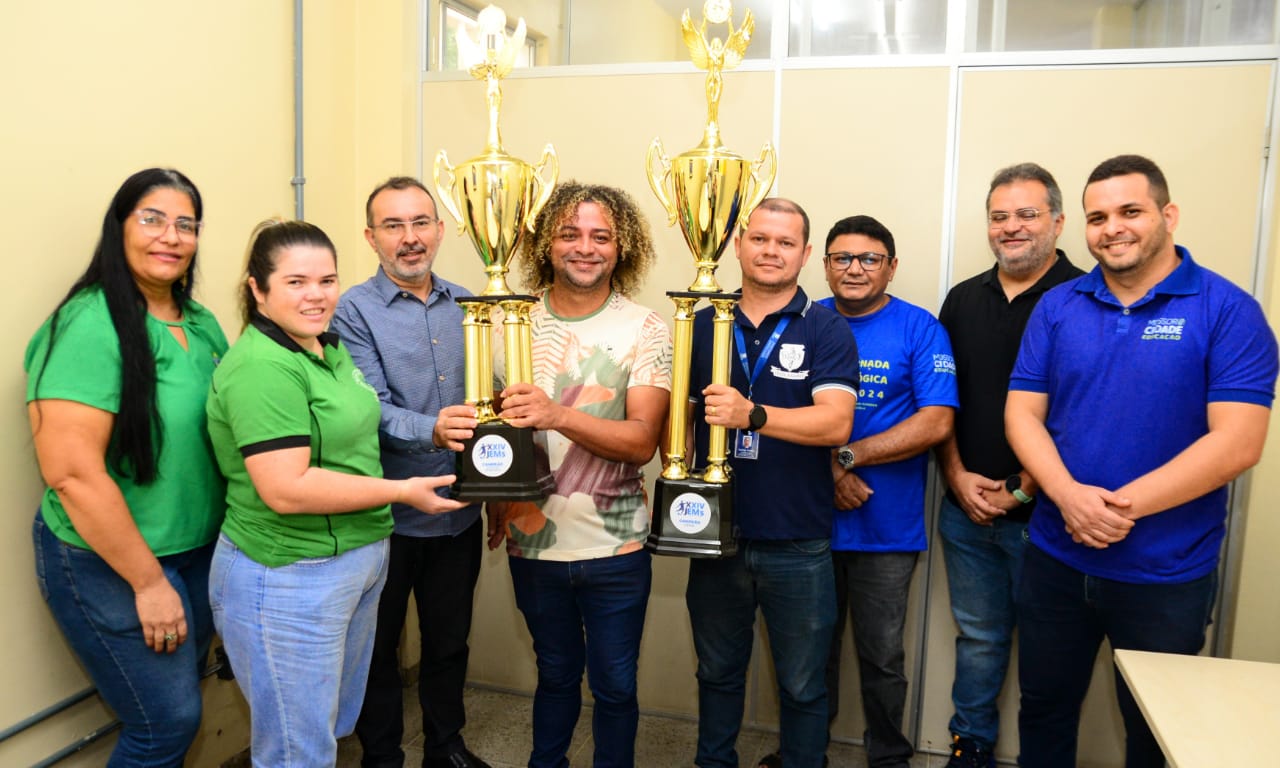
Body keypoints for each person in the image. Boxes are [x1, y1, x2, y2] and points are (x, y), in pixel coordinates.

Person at [1005, 154, 1278, 768]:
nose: (1112, 228)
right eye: (1097, 217)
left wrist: (1112, 510)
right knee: (1043, 709)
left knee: (1156, 731)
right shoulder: (1058, 306)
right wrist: (1071, 501)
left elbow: (1237, 442)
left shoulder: (1228, 311)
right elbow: (1022, 414)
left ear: (1168, 214)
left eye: (1130, 211)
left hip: (1166, 574)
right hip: (1056, 556)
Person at [206, 219, 466, 767]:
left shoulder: (327, 347)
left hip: (355, 561)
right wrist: (403, 490)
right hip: (290, 576)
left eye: (327, 280)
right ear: (258, 288)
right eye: (297, 282)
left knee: (327, 731)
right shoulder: (262, 368)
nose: (317, 295)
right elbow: (287, 489)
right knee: (297, 752)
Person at [25, 168, 228, 767]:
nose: (171, 236)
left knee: (176, 713)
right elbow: (72, 473)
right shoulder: (87, 325)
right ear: (118, 229)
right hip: (111, 561)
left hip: (193, 553)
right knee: (165, 723)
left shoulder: (202, 323)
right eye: (152, 219)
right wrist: (147, 583)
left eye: (185, 224)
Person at [486, 181, 672, 768]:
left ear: (622, 248)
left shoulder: (646, 328)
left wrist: (557, 413)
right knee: (556, 676)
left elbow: (642, 441)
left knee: (615, 686)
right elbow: (495, 436)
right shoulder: (506, 324)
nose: (585, 248)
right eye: (569, 233)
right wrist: (494, 494)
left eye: (601, 236)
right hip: (532, 539)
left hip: (617, 545)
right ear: (547, 242)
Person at [684, 198, 859, 768]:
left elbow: (835, 422)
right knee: (715, 675)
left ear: (806, 254)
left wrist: (752, 415)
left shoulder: (826, 326)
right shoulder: (704, 321)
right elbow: (681, 422)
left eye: (785, 243)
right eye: (759, 238)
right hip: (714, 537)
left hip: (798, 542)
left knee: (804, 686)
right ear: (738, 244)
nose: (770, 251)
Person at [331, 177, 489, 768]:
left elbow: (485, 402)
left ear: (440, 231)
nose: (410, 238)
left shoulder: (469, 302)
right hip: (388, 518)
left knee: (449, 644)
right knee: (378, 649)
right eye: (393, 226)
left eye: (420, 222)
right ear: (371, 238)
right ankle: (383, 757)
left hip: (458, 512)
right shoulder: (352, 310)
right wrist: (433, 430)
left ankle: (446, 748)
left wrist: (498, 488)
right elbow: (367, 407)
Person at [933, 163, 1084, 767]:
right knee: (979, 639)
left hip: (1049, 517)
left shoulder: (1086, 297)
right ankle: (970, 748)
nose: (1012, 227)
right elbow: (939, 402)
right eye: (1000, 216)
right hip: (966, 510)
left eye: (1026, 214)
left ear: (1057, 221)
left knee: (1053, 650)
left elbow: (1086, 412)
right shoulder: (963, 298)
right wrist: (954, 474)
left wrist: (1024, 489)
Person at [816, 215, 957, 768]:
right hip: (805, 522)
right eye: (842, 258)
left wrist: (848, 457)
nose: (855, 269)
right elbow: (770, 413)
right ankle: (806, 752)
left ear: (891, 267)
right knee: (808, 653)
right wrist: (826, 473)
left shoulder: (920, 328)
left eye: (869, 259)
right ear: (824, 265)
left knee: (882, 657)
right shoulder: (802, 320)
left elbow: (936, 422)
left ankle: (889, 759)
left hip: (886, 529)